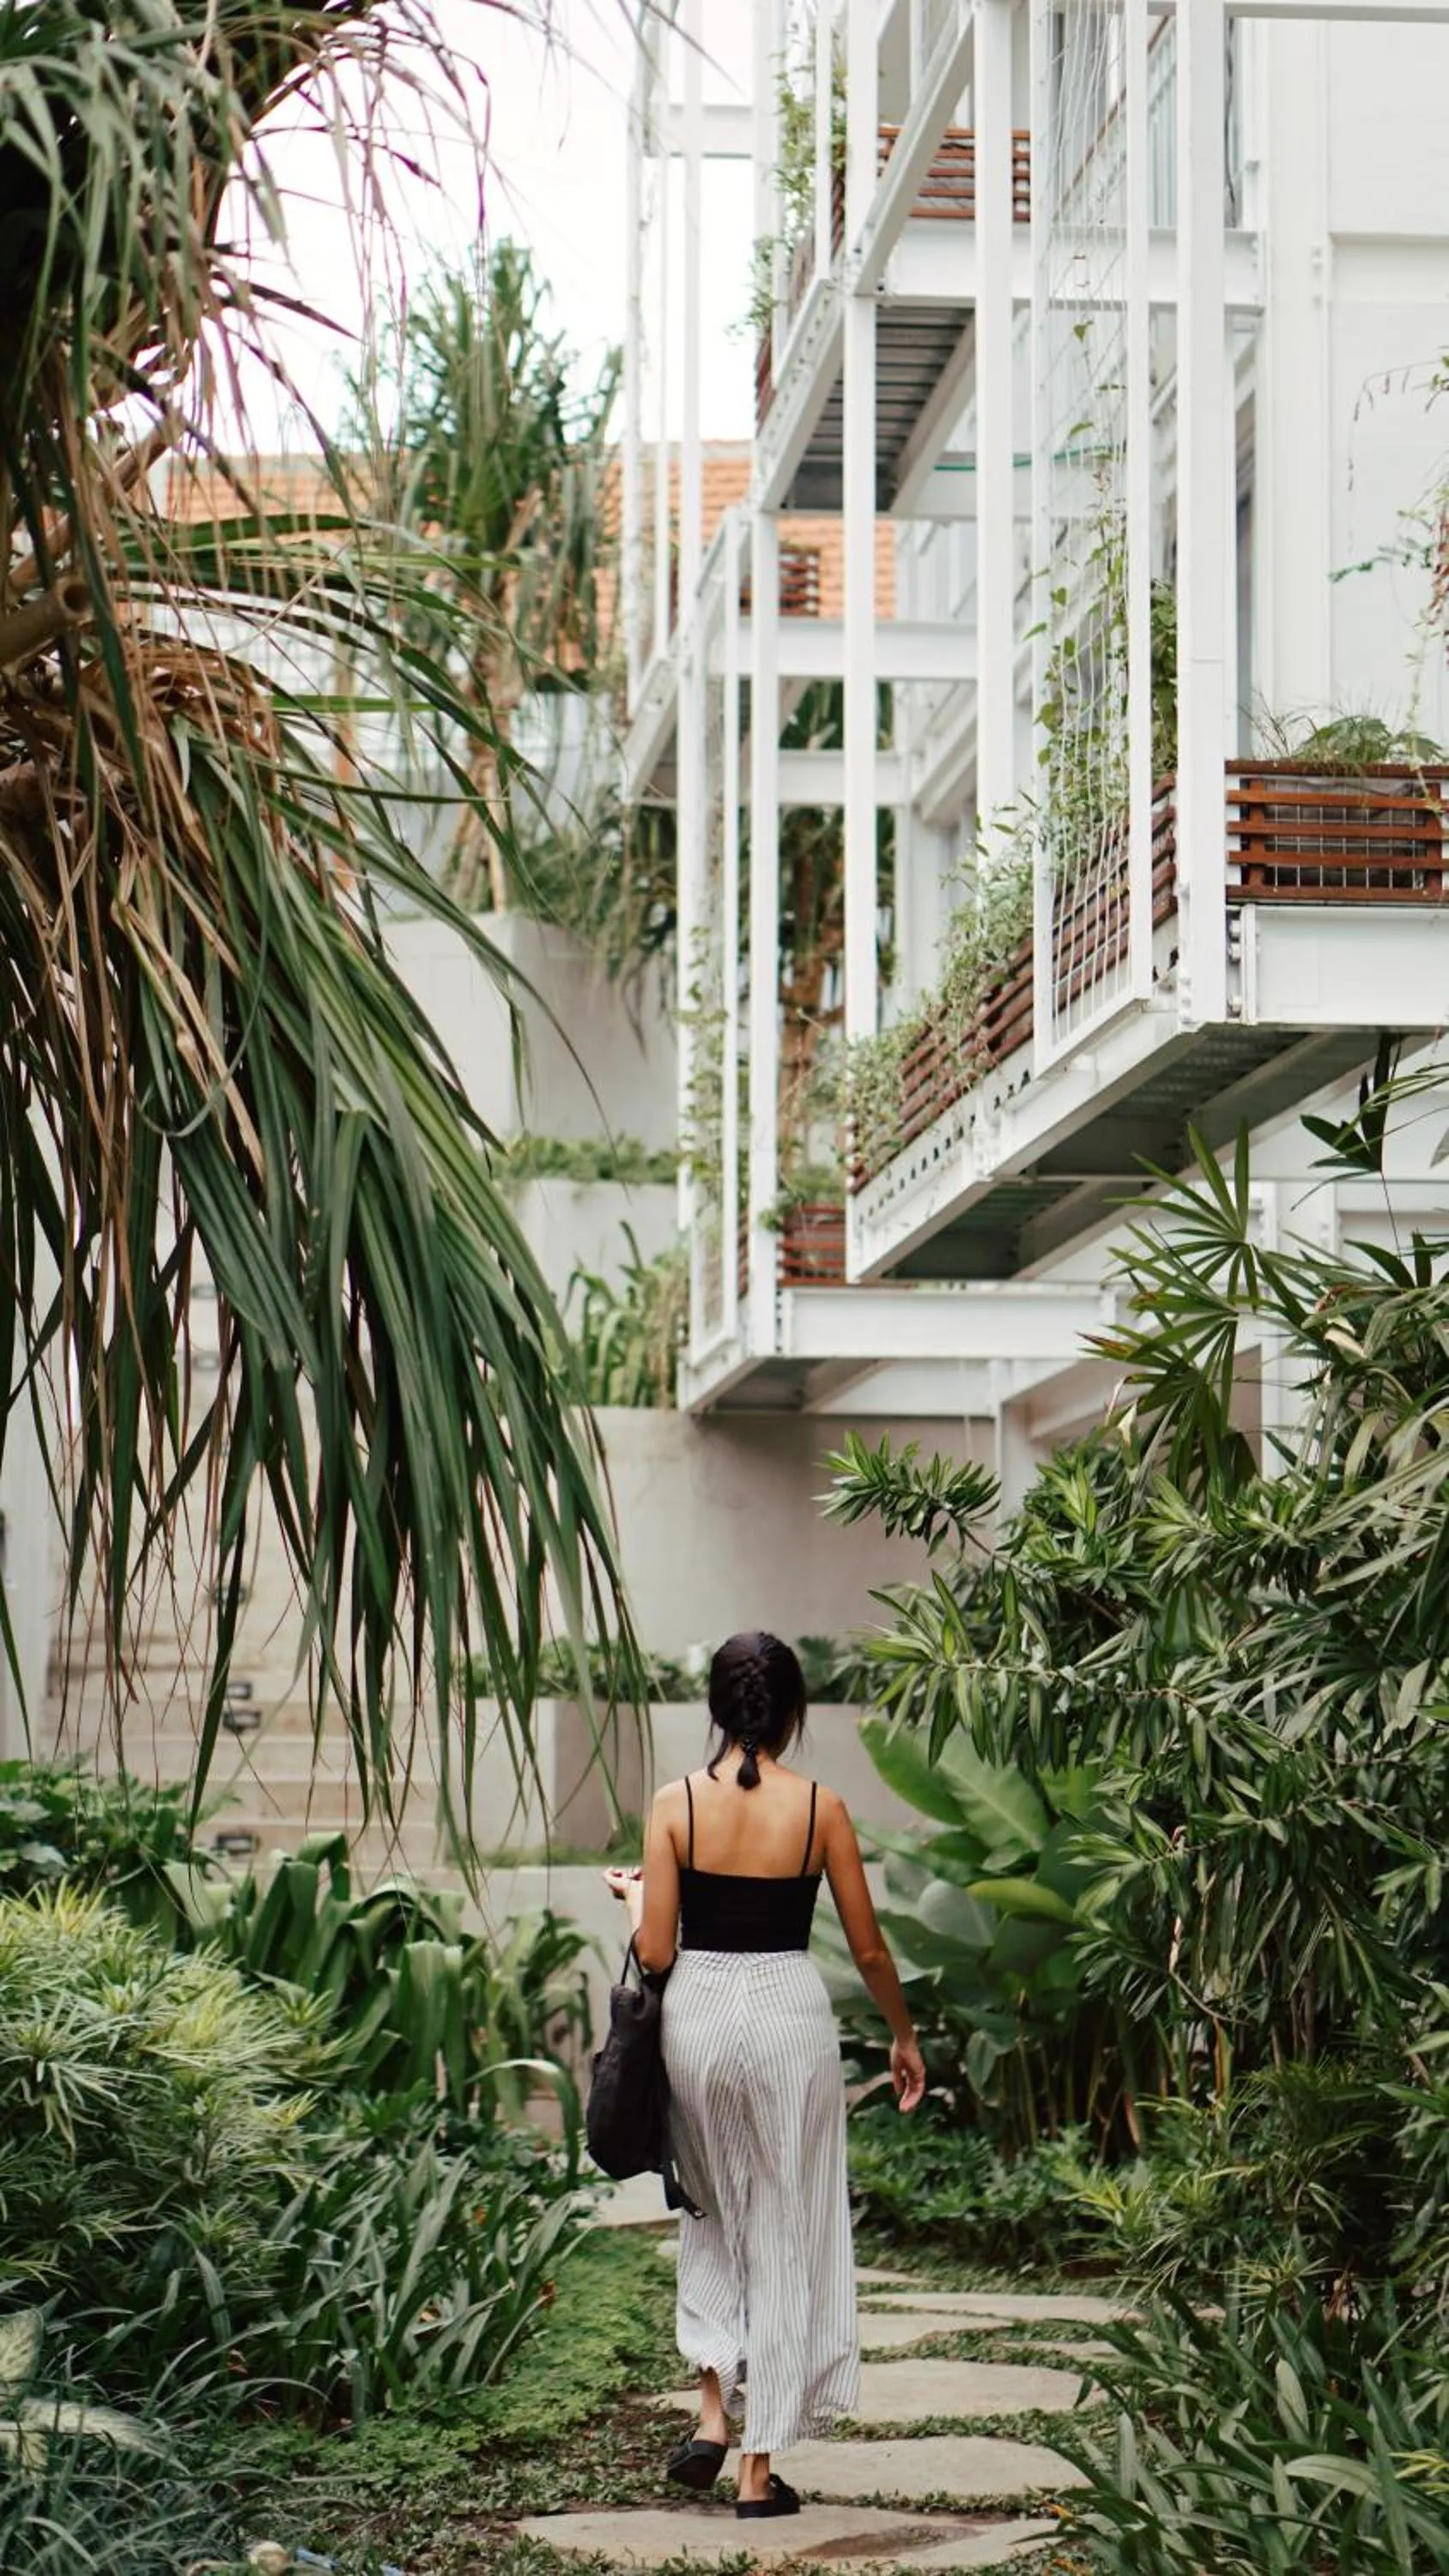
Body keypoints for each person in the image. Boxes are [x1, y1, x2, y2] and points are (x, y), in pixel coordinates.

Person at [604, 1628, 926, 2521]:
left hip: (698, 2015)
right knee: (784, 2221)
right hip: (787, 2014)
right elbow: (865, 1946)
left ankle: (712, 2412)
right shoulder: (820, 1807)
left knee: (708, 2207)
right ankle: (755, 2470)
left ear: (716, 1710)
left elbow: (657, 1949)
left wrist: (634, 1899)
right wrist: (901, 2036)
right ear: (791, 1714)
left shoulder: (675, 1805)